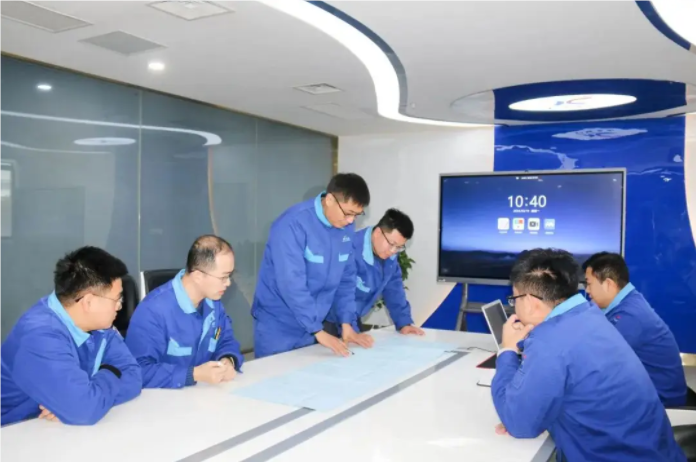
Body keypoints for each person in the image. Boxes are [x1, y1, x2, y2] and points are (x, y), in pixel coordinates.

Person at [492, 248, 685, 462]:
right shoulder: (589, 315)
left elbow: (519, 424)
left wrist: (507, 350)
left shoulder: (550, 341)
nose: (514, 306)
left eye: (514, 299)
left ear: (529, 301)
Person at [0, 247, 142, 426]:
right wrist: (110, 371)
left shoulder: (100, 326)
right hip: (13, 431)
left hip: (56, 430)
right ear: (88, 302)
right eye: (117, 299)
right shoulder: (40, 336)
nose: (119, 307)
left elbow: (134, 376)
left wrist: (87, 395)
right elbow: (85, 411)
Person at [252, 173, 374, 358]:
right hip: (279, 324)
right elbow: (291, 283)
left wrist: (346, 323)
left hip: (312, 324)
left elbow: (346, 280)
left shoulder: (345, 228)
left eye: (357, 215)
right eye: (348, 213)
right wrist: (317, 330)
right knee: (276, 374)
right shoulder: (292, 224)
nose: (351, 221)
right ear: (330, 199)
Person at [126, 235, 243, 389]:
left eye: (230, 275)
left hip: (202, 394)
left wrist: (227, 360)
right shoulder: (153, 311)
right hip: (163, 399)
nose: (228, 283)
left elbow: (224, 339)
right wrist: (193, 374)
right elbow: (138, 370)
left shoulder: (213, 303)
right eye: (223, 277)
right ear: (198, 276)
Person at [583, 252, 687, 407]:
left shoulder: (630, 316)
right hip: (644, 392)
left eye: (589, 284)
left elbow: (597, 363)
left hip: (660, 402)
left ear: (608, 284)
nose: (587, 290)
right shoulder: (626, 303)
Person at [324, 209, 423, 336]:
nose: (393, 251)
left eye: (399, 247)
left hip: (352, 318)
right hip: (328, 318)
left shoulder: (390, 258)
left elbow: (394, 289)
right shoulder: (350, 249)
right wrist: (350, 327)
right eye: (392, 244)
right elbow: (341, 294)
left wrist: (404, 323)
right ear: (377, 233)